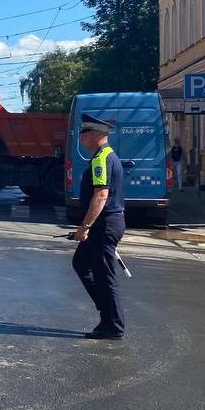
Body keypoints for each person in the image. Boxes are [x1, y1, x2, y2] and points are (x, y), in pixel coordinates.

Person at [72, 114, 127, 340]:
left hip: (104, 225)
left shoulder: (101, 159)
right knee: (81, 264)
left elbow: (101, 194)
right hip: (105, 224)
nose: (82, 138)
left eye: (84, 133)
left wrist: (85, 226)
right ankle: (106, 313)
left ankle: (113, 325)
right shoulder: (105, 156)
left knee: (105, 276)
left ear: (95, 134)